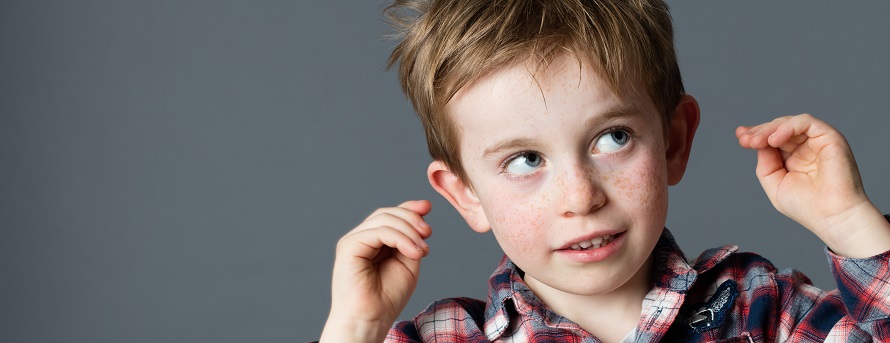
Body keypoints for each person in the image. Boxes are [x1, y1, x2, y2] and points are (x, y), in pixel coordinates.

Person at [318, 0, 890, 342]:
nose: (579, 196)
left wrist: (851, 226)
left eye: (612, 138)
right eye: (525, 160)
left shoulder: (759, 310)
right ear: (465, 193)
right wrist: (354, 328)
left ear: (673, 141)